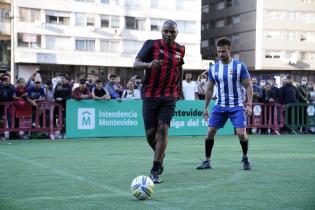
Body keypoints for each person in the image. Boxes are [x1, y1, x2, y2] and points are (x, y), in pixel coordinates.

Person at [133, 20, 185, 183]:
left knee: (163, 128)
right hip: (150, 94)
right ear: (161, 32)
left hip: (169, 95)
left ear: (176, 33)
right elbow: (135, 63)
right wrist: (149, 64)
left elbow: (180, 69)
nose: (169, 34)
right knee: (150, 134)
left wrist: (179, 90)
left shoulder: (180, 49)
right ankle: (160, 154)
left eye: (172, 32)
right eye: (166, 31)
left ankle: (155, 168)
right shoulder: (151, 45)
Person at [196, 38, 253, 171]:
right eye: (218, 51)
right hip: (219, 106)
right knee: (210, 133)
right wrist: (205, 108)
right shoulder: (214, 68)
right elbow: (209, 89)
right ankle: (207, 161)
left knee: (241, 134)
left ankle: (245, 157)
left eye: (223, 51)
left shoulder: (240, 66)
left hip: (237, 106)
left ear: (229, 50)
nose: (220, 54)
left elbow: (248, 86)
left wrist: (249, 104)